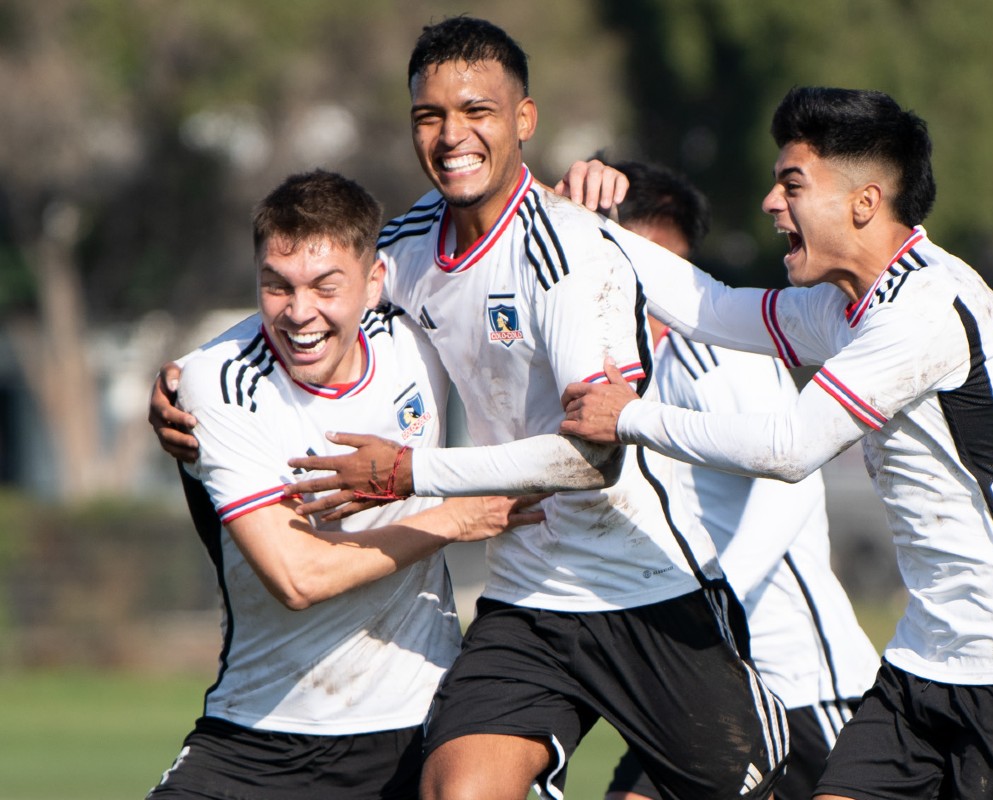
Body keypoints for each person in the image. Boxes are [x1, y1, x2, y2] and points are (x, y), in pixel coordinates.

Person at [560, 88, 993, 800]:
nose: (771, 202)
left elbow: (793, 445)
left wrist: (630, 417)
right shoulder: (842, 306)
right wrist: (577, 227)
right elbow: (712, 306)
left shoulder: (927, 307)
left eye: (792, 184)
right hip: (923, 663)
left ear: (865, 202)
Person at [278, 18, 787, 800]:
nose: (452, 136)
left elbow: (591, 457)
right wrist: (192, 376)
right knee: (458, 791)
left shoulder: (569, 254)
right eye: (430, 116)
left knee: (752, 786)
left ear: (524, 121)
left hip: (647, 588)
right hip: (526, 599)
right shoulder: (408, 243)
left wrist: (411, 472)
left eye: (476, 112)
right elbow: (315, 298)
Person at [147, 169, 544, 800]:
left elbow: (501, 212)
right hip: (259, 732)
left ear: (374, 283)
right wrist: (455, 519)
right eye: (276, 287)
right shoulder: (217, 385)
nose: (299, 312)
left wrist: (590, 181)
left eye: (324, 287)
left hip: (417, 725)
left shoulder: (419, 339)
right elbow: (297, 579)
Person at [599, 160, 880, 800]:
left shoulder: (712, 354)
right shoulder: (619, 367)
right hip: (702, 685)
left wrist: (708, 601)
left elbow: (795, 483)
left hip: (798, 681)